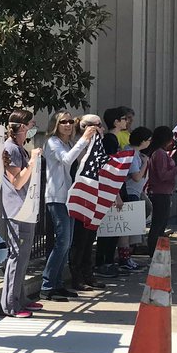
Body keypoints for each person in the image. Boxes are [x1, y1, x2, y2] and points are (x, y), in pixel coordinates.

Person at [41, 111, 99, 300]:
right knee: (62, 242)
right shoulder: (53, 142)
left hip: (70, 197)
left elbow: (82, 159)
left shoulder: (70, 143)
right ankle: (47, 285)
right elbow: (66, 159)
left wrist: (93, 139)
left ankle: (57, 284)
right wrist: (84, 139)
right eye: (62, 122)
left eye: (70, 121)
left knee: (66, 244)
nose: (67, 124)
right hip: (57, 197)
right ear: (56, 124)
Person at [0, 109, 42, 318]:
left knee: (24, 256)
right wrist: (33, 162)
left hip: (25, 207)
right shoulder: (11, 149)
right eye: (31, 124)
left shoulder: (19, 148)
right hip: (17, 209)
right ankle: (10, 304)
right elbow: (16, 182)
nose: (33, 127)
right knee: (17, 256)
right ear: (22, 127)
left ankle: (20, 297)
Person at [68, 113, 105, 291]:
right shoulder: (79, 145)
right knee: (80, 240)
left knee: (90, 239)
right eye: (99, 125)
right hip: (80, 198)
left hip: (93, 197)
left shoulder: (97, 147)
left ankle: (88, 274)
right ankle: (77, 278)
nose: (102, 129)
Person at [94, 106, 131, 278]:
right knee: (109, 229)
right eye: (123, 118)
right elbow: (109, 169)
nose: (126, 121)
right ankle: (103, 263)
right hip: (111, 188)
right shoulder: (109, 140)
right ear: (116, 121)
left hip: (116, 186)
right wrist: (115, 194)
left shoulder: (115, 139)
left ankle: (108, 261)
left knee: (115, 229)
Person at [116, 126, 154, 268]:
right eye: (149, 140)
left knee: (132, 228)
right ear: (143, 141)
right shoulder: (130, 154)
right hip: (130, 193)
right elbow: (137, 176)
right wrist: (145, 163)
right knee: (126, 230)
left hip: (135, 192)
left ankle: (128, 256)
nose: (150, 143)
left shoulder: (134, 152)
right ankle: (124, 259)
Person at [145, 126, 177, 253]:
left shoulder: (158, 152)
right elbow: (163, 175)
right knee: (158, 224)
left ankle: (157, 251)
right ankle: (153, 251)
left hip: (163, 191)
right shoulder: (159, 153)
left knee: (161, 224)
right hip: (159, 192)